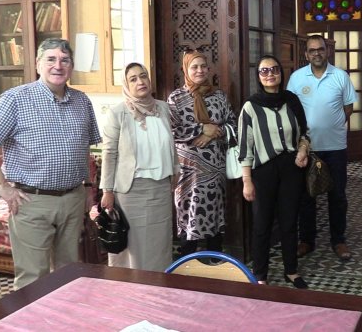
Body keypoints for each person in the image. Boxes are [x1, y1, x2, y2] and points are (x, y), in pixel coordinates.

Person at [0, 38, 101, 289]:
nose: (58, 66)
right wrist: (3, 188)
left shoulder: (82, 101)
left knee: (69, 273)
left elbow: (84, 147)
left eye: (64, 60)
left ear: (72, 65)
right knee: (32, 278)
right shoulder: (16, 99)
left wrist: (88, 187)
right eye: (51, 59)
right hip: (31, 201)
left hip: (73, 199)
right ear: (38, 64)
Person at [238, 54, 310, 288]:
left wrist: (303, 150)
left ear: (281, 72)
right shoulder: (251, 107)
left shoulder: (292, 101)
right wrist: (247, 180)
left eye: (274, 69)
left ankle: (291, 270)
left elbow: (304, 133)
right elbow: (245, 146)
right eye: (264, 71)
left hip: (291, 168)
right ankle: (260, 274)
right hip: (263, 171)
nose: (270, 74)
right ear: (258, 76)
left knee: (289, 221)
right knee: (262, 223)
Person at [100, 62, 178, 271]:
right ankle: (130, 286)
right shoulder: (118, 112)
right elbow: (109, 152)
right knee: (132, 246)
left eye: (143, 76)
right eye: (133, 79)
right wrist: (107, 190)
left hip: (160, 188)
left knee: (159, 243)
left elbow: (171, 143)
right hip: (131, 190)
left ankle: (159, 283)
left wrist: (176, 169)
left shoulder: (162, 108)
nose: (140, 81)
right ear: (126, 85)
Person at [287, 34, 357, 261]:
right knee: (306, 196)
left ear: (327, 51)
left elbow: (348, 107)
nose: (316, 53)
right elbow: (291, 110)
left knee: (337, 196)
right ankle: (307, 240)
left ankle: (338, 240)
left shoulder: (340, 76)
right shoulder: (297, 78)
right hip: (306, 148)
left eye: (320, 49)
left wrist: (331, 125)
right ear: (306, 54)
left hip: (335, 147)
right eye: (312, 50)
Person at [168, 50, 237, 256]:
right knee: (188, 215)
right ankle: (187, 263)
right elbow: (171, 130)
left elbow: (233, 124)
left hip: (215, 171)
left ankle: (214, 261)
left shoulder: (219, 96)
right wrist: (201, 129)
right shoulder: (176, 98)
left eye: (203, 66)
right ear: (185, 70)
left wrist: (213, 132)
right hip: (188, 174)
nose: (199, 70)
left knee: (214, 217)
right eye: (194, 67)